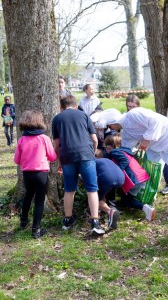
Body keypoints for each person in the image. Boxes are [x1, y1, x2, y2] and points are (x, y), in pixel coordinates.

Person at [93, 107, 168, 202]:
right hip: (155, 146)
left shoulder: (134, 114)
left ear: (114, 122)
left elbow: (156, 122)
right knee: (151, 171)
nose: (112, 129)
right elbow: (127, 149)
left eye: (110, 126)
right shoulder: (126, 132)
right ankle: (149, 197)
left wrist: (147, 139)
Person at [51, 95, 105, 235]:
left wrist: (60, 160)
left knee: (69, 189)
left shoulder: (57, 119)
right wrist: (92, 152)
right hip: (86, 155)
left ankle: (68, 219)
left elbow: (56, 144)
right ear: (76, 105)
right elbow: (94, 139)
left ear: (61, 107)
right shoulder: (84, 115)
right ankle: (95, 221)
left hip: (67, 156)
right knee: (92, 189)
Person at [14, 110, 57, 239]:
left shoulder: (22, 139)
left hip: (27, 173)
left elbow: (17, 160)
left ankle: (23, 221)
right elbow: (53, 156)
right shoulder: (44, 138)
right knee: (39, 200)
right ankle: (36, 229)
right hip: (41, 173)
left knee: (28, 195)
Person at [104, 134, 156, 221]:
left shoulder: (114, 152)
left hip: (134, 178)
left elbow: (125, 161)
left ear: (112, 147)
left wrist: (118, 172)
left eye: (107, 147)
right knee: (127, 199)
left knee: (126, 200)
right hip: (140, 177)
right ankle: (146, 208)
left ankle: (146, 208)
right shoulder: (124, 151)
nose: (106, 150)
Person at [95, 157, 124, 229]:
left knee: (94, 199)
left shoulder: (93, 162)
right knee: (102, 193)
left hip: (107, 179)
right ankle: (99, 211)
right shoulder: (107, 160)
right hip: (121, 178)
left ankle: (110, 211)